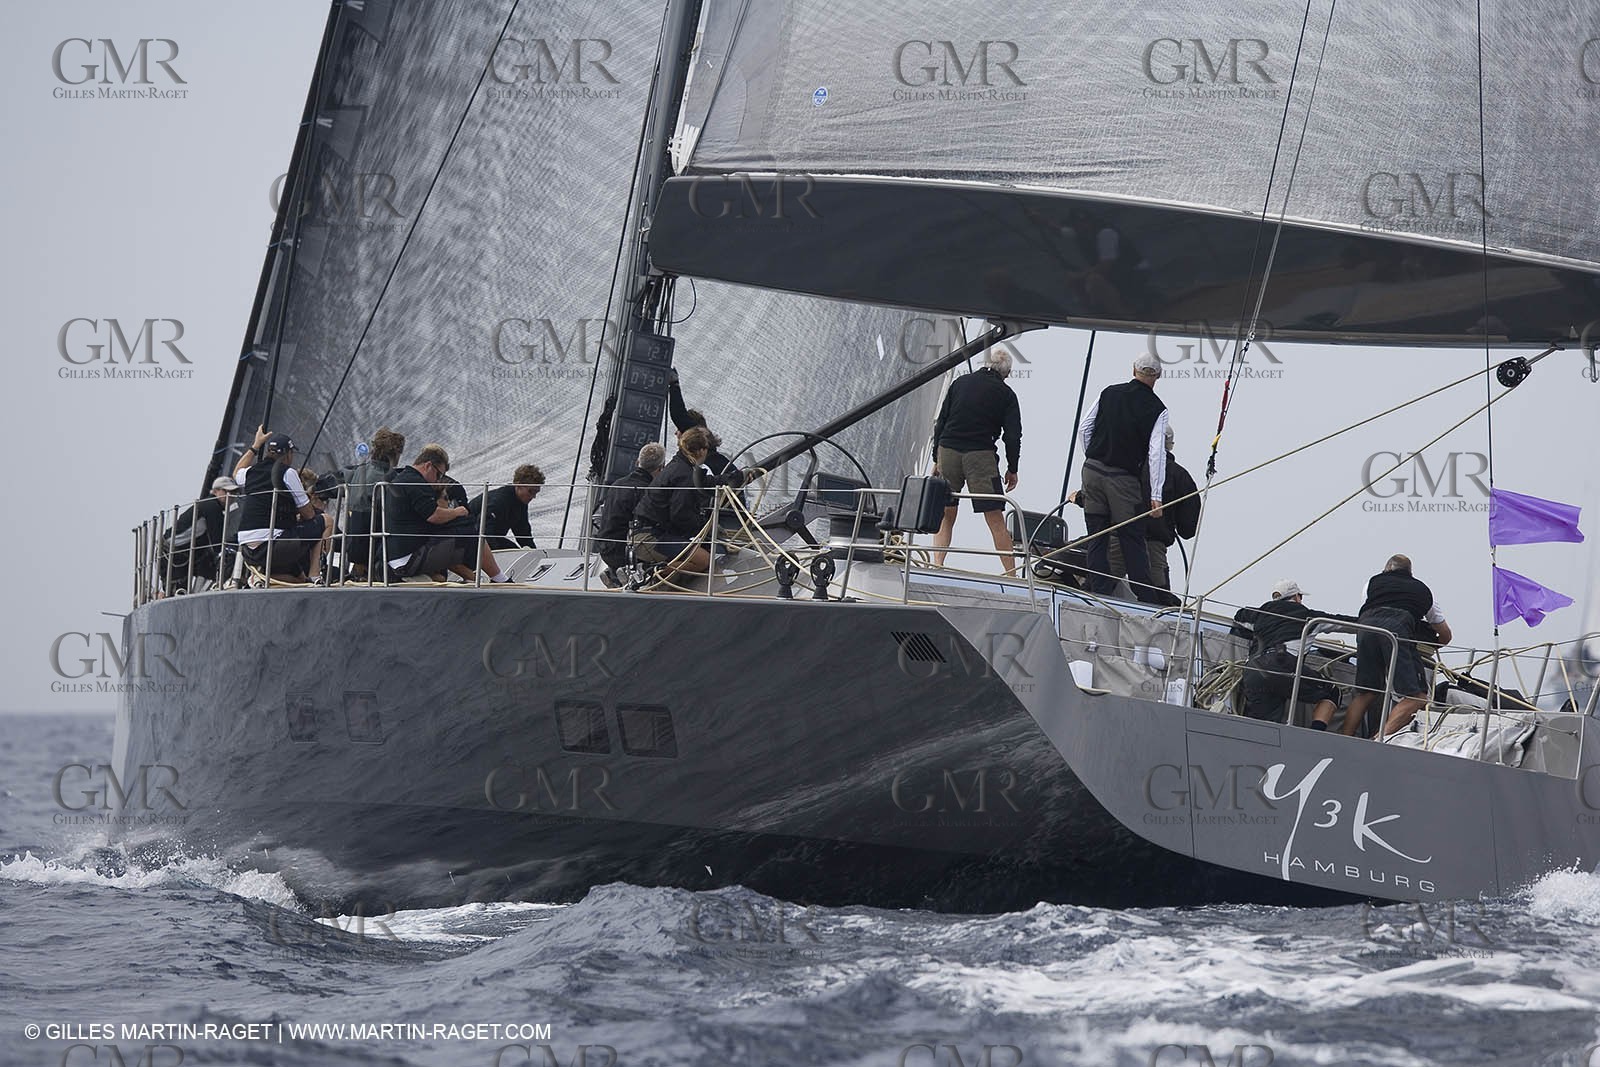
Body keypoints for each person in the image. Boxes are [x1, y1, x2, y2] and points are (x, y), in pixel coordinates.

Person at [1078, 352, 1169, 604]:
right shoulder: (1157, 410)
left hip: (1092, 471)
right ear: (1157, 376)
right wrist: (1156, 496)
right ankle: (1147, 599)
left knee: (1097, 536)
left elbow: (1085, 428)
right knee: (1132, 539)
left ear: (1133, 370)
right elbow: (1156, 454)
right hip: (1123, 480)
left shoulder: (1109, 392)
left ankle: (1098, 593)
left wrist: (1094, 456)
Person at [929, 348, 1023, 572]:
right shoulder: (1007, 395)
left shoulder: (961, 383)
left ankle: (937, 565)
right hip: (979, 456)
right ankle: (1011, 574)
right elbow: (1012, 435)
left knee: (946, 512)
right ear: (1006, 373)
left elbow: (941, 421)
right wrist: (1013, 468)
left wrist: (936, 457)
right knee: (995, 518)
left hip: (948, 449)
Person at [1340, 554, 1452, 738]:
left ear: (1386, 569)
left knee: (1366, 692)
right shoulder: (1423, 590)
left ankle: (1345, 737)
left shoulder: (1372, 583)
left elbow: (1368, 608)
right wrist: (1427, 645)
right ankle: (1379, 738)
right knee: (1417, 697)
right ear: (1410, 572)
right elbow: (1446, 635)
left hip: (1365, 628)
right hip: (1397, 632)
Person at [1233, 580, 1361, 727]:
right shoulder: (1309, 617)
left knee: (1266, 725)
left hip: (1253, 670)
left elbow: (1239, 615)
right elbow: (1345, 624)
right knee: (1332, 693)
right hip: (1282, 664)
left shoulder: (1260, 614)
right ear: (1296, 597)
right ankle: (1315, 736)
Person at [382, 444, 510, 583]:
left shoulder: (402, 478)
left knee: (459, 533)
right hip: (408, 560)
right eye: (439, 474)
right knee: (473, 533)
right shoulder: (416, 483)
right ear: (428, 466)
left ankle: (476, 579)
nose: (438, 480)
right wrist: (457, 512)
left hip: (395, 557)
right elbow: (434, 516)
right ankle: (500, 580)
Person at [1103, 425, 1199, 606]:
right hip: (1153, 547)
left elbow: (1101, 496)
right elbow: (1188, 528)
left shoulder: (1124, 466)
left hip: (1119, 539)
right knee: (1159, 603)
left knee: (1097, 589)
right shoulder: (1181, 476)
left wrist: (1080, 498)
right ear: (1169, 445)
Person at [233, 427, 335, 583]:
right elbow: (309, 514)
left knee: (298, 578)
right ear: (288, 454)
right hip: (274, 546)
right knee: (327, 521)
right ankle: (316, 575)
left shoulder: (251, 472)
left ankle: (259, 578)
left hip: (247, 549)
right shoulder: (288, 472)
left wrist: (256, 445)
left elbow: (236, 472)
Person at [631, 426, 715, 580]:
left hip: (646, 532)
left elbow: (705, 482)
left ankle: (656, 573)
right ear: (702, 451)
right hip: (650, 538)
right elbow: (680, 515)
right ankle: (648, 573)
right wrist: (705, 531)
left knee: (698, 549)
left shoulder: (678, 465)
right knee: (704, 559)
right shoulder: (685, 475)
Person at [596, 443, 666, 584]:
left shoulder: (617, 484)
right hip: (626, 552)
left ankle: (614, 573)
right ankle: (644, 570)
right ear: (661, 468)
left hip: (605, 549)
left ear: (638, 462)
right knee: (678, 552)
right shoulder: (648, 491)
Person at [345, 427, 405, 579]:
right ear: (395, 454)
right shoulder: (389, 476)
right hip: (374, 546)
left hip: (354, 542)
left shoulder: (360, 470)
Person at [162, 475, 237, 590]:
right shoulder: (212, 507)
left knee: (205, 565)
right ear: (216, 491)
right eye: (226, 491)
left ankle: (198, 592)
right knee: (177, 588)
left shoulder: (207, 504)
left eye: (233, 492)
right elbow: (217, 541)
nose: (230, 495)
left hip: (179, 550)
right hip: (175, 552)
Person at [469, 464, 545, 549]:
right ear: (518, 485)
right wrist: (496, 554)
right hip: (469, 538)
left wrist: (534, 553)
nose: (533, 496)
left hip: (490, 537)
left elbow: (523, 533)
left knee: (515, 552)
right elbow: (483, 528)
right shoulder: (499, 501)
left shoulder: (521, 502)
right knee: (510, 552)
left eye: (536, 492)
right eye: (530, 491)